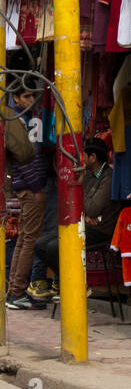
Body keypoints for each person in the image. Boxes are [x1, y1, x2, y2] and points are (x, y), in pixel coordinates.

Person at [29, 138, 120, 306]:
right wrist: (85, 209)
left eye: (83, 155)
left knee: (54, 246)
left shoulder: (108, 177)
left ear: (93, 157)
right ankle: (71, 281)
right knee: (41, 244)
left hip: (101, 230)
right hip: (85, 224)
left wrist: (79, 187)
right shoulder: (89, 174)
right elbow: (86, 209)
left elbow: (92, 209)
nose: (80, 159)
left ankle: (77, 283)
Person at [4, 87, 50, 310]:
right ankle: (17, 292)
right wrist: (36, 188)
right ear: (15, 98)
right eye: (26, 96)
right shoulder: (17, 121)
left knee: (24, 238)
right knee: (29, 239)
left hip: (26, 187)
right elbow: (24, 160)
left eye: (33, 96)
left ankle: (14, 290)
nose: (31, 100)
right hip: (30, 189)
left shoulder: (22, 119)